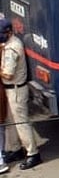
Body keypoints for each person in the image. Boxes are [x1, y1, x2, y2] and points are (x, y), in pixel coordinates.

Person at [0, 18, 44, 169]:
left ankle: (33, 154)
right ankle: (16, 149)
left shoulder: (12, 48)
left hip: (16, 89)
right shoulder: (10, 43)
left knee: (21, 124)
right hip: (10, 89)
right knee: (10, 123)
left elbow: (7, 75)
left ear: (9, 32)